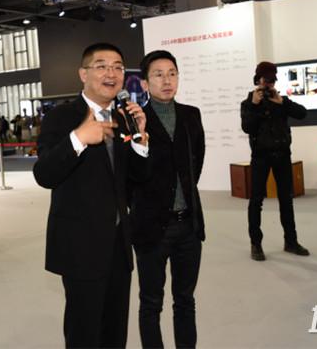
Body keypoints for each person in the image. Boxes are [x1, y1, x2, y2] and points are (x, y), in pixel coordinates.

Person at [33, 42, 150, 348]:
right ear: (83, 74)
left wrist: (141, 142)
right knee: (84, 333)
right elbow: (44, 174)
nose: (111, 73)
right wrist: (79, 138)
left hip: (118, 245)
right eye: (101, 66)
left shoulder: (123, 117)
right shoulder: (62, 117)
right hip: (80, 246)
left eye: (118, 67)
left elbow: (135, 181)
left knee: (115, 331)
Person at [130, 50, 205, 349]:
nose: (167, 80)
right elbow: (131, 174)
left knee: (185, 300)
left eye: (172, 73)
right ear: (145, 83)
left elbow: (195, 163)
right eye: (158, 74)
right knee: (151, 303)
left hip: (188, 226)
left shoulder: (191, 115)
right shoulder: (135, 119)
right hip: (151, 228)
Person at [240, 61, 309, 261]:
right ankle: (256, 244)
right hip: (260, 157)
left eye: (272, 80)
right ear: (258, 79)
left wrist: (283, 103)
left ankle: (291, 241)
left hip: (282, 155)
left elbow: (303, 113)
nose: (269, 84)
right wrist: (254, 105)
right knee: (256, 201)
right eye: (266, 80)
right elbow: (247, 127)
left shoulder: (281, 101)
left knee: (286, 200)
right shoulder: (248, 103)